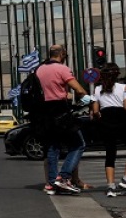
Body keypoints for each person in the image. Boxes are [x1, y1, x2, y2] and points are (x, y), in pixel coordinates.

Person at [35, 45, 89, 195]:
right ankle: (63, 177)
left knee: (53, 148)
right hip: (61, 111)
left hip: (45, 113)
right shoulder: (62, 68)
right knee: (78, 144)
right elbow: (78, 90)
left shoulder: (39, 70)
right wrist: (87, 98)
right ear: (62, 54)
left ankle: (51, 184)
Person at [90, 62, 126, 197]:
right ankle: (125, 180)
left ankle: (111, 187)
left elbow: (95, 111)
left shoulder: (97, 89)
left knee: (110, 154)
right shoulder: (124, 87)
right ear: (117, 74)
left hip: (106, 121)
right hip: (122, 119)